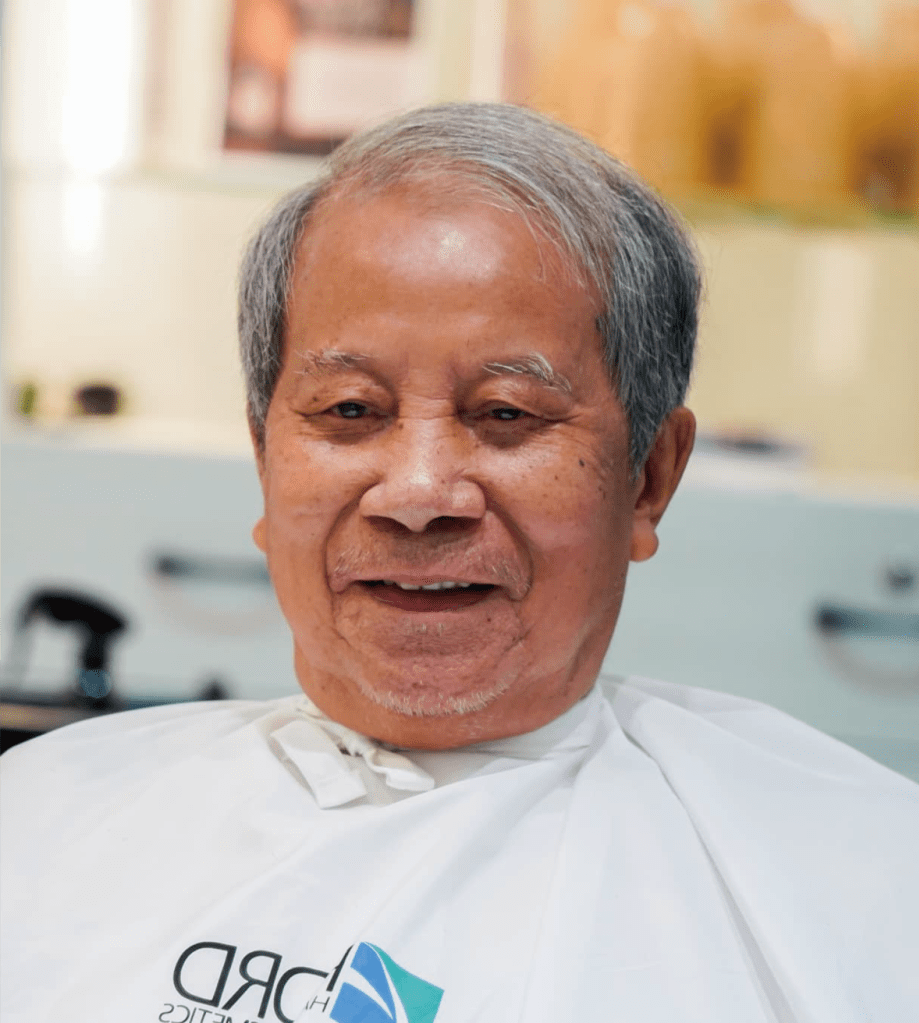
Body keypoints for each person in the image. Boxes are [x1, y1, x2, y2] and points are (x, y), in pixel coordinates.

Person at [1, 103, 916, 1023]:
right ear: (263, 458)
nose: (418, 491)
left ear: (648, 478)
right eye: (350, 410)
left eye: (505, 414)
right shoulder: (42, 825)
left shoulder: (855, 891)